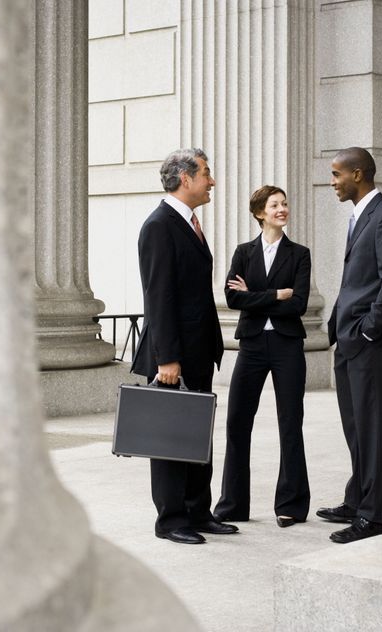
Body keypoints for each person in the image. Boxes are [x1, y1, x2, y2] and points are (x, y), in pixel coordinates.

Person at [131, 148, 237, 545]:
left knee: (196, 435)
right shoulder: (159, 225)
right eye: (206, 173)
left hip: (197, 350)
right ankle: (171, 520)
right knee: (171, 438)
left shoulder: (189, 223)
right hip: (173, 356)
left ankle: (197, 511)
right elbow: (158, 297)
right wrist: (167, 358)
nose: (211, 181)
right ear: (184, 179)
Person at [318, 147, 382, 543]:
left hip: (369, 341)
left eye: (337, 174)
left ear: (358, 174)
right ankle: (357, 498)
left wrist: (369, 330)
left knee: (372, 428)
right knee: (355, 426)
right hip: (350, 339)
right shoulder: (360, 217)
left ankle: (373, 516)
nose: (333, 182)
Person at [213, 186, 311, 528]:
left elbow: (298, 304)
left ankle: (292, 505)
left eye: (285, 203)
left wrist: (255, 295)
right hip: (252, 345)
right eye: (275, 205)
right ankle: (233, 505)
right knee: (237, 421)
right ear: (260, 213)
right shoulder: (244, 252)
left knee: (290, 423)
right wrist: (275, 295)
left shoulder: (299, 254)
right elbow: (232, 299)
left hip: (287, 346)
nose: (282, 209)